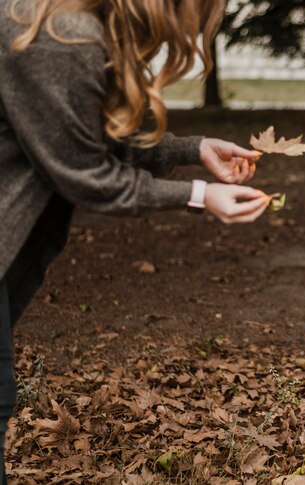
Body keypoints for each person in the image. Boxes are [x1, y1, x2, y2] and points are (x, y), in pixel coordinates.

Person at [0, 0, 270, 481]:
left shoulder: (68, 27)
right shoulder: (64, 36)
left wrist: (194, 150)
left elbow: (90, 138)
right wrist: (199, 195)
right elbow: (84, 174)